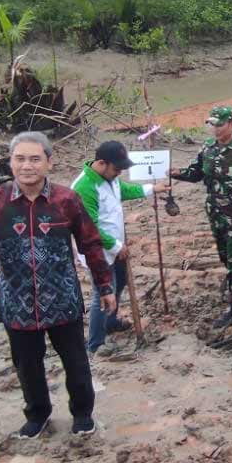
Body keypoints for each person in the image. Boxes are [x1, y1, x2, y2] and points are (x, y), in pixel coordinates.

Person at [0, 131, 114, 438]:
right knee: (27, 366)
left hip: (62, 299)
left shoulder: (67, 200)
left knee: (76, 362)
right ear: (10, 163)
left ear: (49, 163)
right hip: (16, 301)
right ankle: (37, 415)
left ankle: (82, 414)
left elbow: (90, 244)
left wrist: (105, 286)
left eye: (35, 159)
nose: (27, 166)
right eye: (20, 159)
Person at [170, 106, 232, 328]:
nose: (215, 129)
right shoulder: (208, 149)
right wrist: (175, 173)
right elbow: (196, 173)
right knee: (227, 258)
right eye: (212, 124)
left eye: (219, 124)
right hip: (216, 215)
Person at [71, 140, 166, 355]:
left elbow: (123, 190)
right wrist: (115, 246)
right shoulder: (85, 187)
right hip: (99, 252)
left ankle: (111, 321)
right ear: (102, 163)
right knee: (103, 295)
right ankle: (96, 343)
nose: (119, 173)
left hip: (116, 247)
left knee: (119, 283)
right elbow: (90, 227)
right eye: (117, 169)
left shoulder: (110, 178)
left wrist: (152, 188)